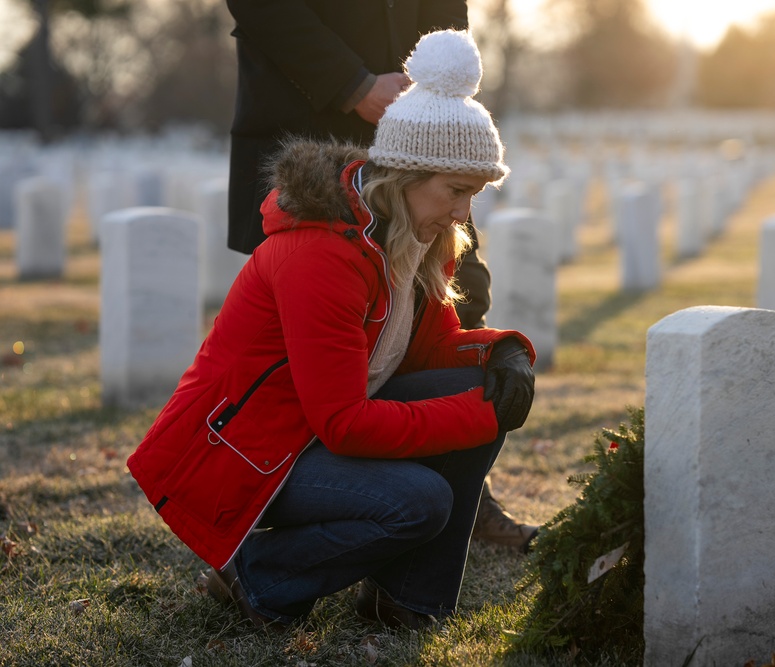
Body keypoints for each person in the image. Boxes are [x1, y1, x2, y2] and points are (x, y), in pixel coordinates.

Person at [127, 30, 536, 631]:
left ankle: (408, 599)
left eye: (471, 196)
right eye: (455, 191)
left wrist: (502, 354)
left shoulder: (412, 240)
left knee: (479, 396)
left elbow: (429, 353)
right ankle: (255, 576)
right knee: (422, 500)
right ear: (405, 176)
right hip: (246, 451)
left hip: (308, 432)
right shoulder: (322, 255)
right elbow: (343, 423)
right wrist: (484, 410)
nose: (462, 214)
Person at [225, 0, 538, 551]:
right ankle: (297, 498)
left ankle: (442, 513)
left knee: (457, 299)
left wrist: (445, 112)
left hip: (423, 131)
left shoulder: (446, 193)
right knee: (310, 348)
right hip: (313, 114)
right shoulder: (314, 251)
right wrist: (351, 83)